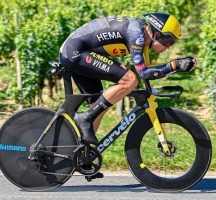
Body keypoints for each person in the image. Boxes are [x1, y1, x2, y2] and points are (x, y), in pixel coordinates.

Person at [59, 12, 196, 147]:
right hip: (75, 52)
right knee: (130, 79)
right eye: (168, 41)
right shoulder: (137, 35)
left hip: (79, 51)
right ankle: (85, 118)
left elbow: (149, 71)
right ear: (156, 34)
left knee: (99, 107)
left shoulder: (142, 36)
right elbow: (143, 73)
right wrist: (174, 65)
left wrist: (176, 67)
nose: (169, 47)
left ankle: (83, 156)